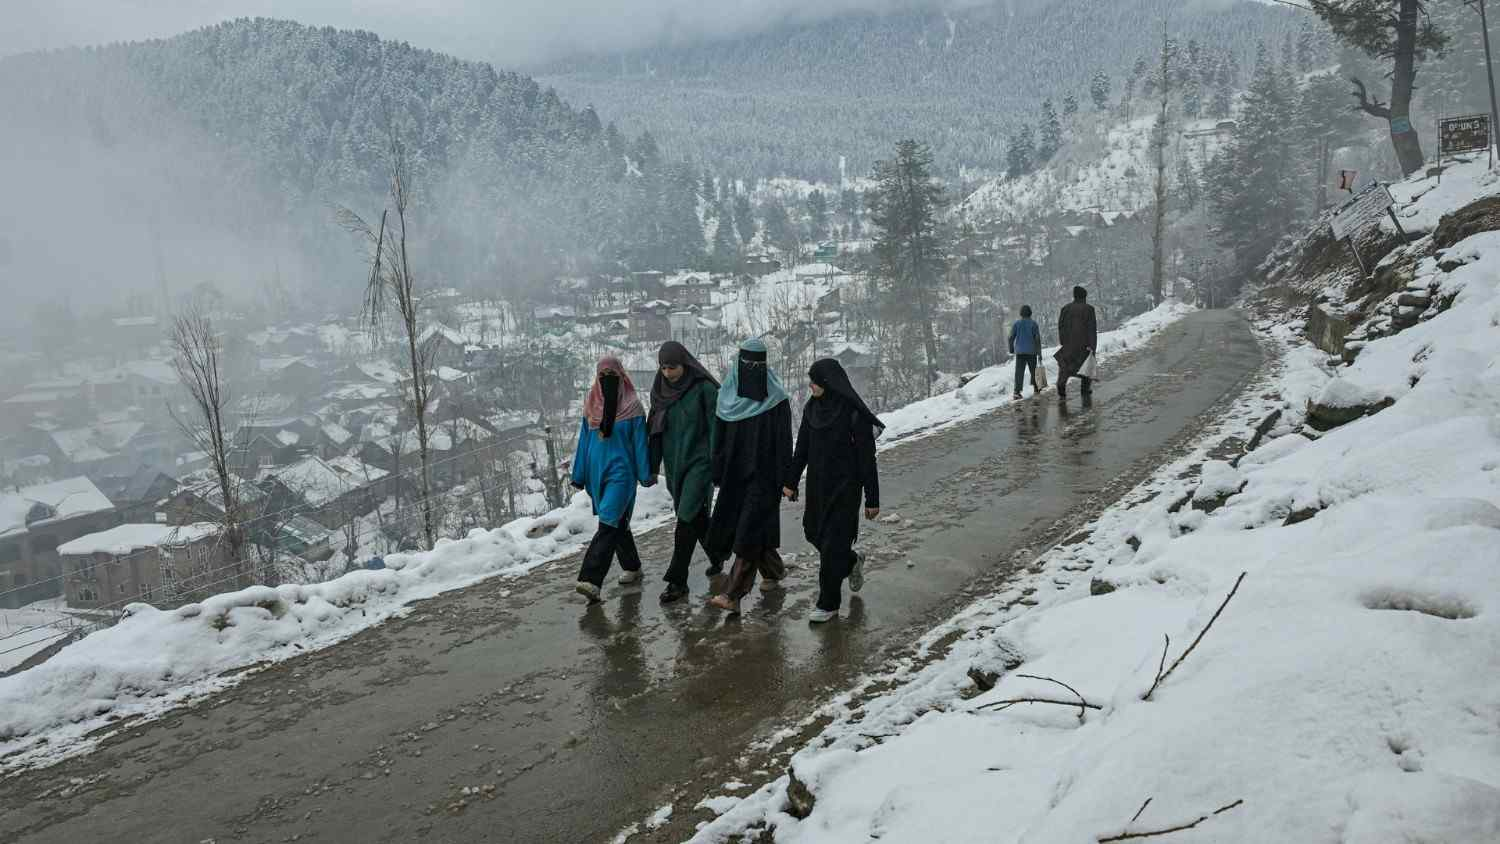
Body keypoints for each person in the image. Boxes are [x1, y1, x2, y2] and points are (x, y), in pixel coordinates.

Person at [783, 358, 881, 624]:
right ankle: (850, 561)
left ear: (828, 382)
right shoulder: (811, 409)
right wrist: (791, 482)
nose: (811, 385)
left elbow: (866, 458)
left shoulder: (852, 413)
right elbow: (801, 448)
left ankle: (828, 604)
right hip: (818, 486)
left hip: (846, 488)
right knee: (813, 533)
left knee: (831, 545)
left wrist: (872, 498)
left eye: (815, 380)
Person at [705, 338, 794, 615]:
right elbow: (717, 439)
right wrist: (717, 470)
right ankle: (774, 571)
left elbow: (784, 440)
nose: (752, 368)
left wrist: (787, 479)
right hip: (735, 474)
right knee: (748, 528)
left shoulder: (777, 398)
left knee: (748, 531)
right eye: (748, 363)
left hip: (766, 475)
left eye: (758, 363)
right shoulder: (727, 396)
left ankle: (733, 594)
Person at [647, 341, 727, 604]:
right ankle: (717, 554)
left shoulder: (703, 389)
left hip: (700, 462)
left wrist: (717, 464)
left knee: (684, 518)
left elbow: (717, 428)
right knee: (695, 516)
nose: (668, 373)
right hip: (674, 464)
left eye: (673, 367)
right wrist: (651, 464)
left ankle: (677, 581)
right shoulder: (659, 391)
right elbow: (654, 430)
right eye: (663, 367)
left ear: (685, 364)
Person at [571, 356, 654, 603]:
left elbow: (640, 445)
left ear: (621, 377)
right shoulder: (591, 407)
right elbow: (584, 443)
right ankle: (632, 567)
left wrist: (645, 474)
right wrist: (579, 476)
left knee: (608, 520)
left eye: (612, 376)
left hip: (622, 475)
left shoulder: (633, 408)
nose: (607, 381)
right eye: (602, 376)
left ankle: (590, 579)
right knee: (618, 523)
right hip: (597, 477)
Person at [1054, 285, 1098, 399]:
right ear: (1084, 296)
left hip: (1068, 344)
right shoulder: (1089, 309)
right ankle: (1085, 389)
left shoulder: (1065, 309)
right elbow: (1091, 329)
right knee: (1086, 366)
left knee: (1065, 367)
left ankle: (1061, 386)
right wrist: (1093, 347)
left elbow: (1060, 326)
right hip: (1084, 345)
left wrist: (1063, 341)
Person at [1007, 305, 1042, 400]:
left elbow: (1010, 337)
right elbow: (1037, 339)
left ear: (1021, 313)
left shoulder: (1017, 324)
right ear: (1030, 313)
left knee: (1019, 372)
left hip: (1020, 352)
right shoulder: (1034, 324)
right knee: (1033, 371)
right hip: (1031, 352)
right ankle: (1036, 388)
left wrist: (1011, 349)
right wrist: (1039, 353)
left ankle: (1017, 392)